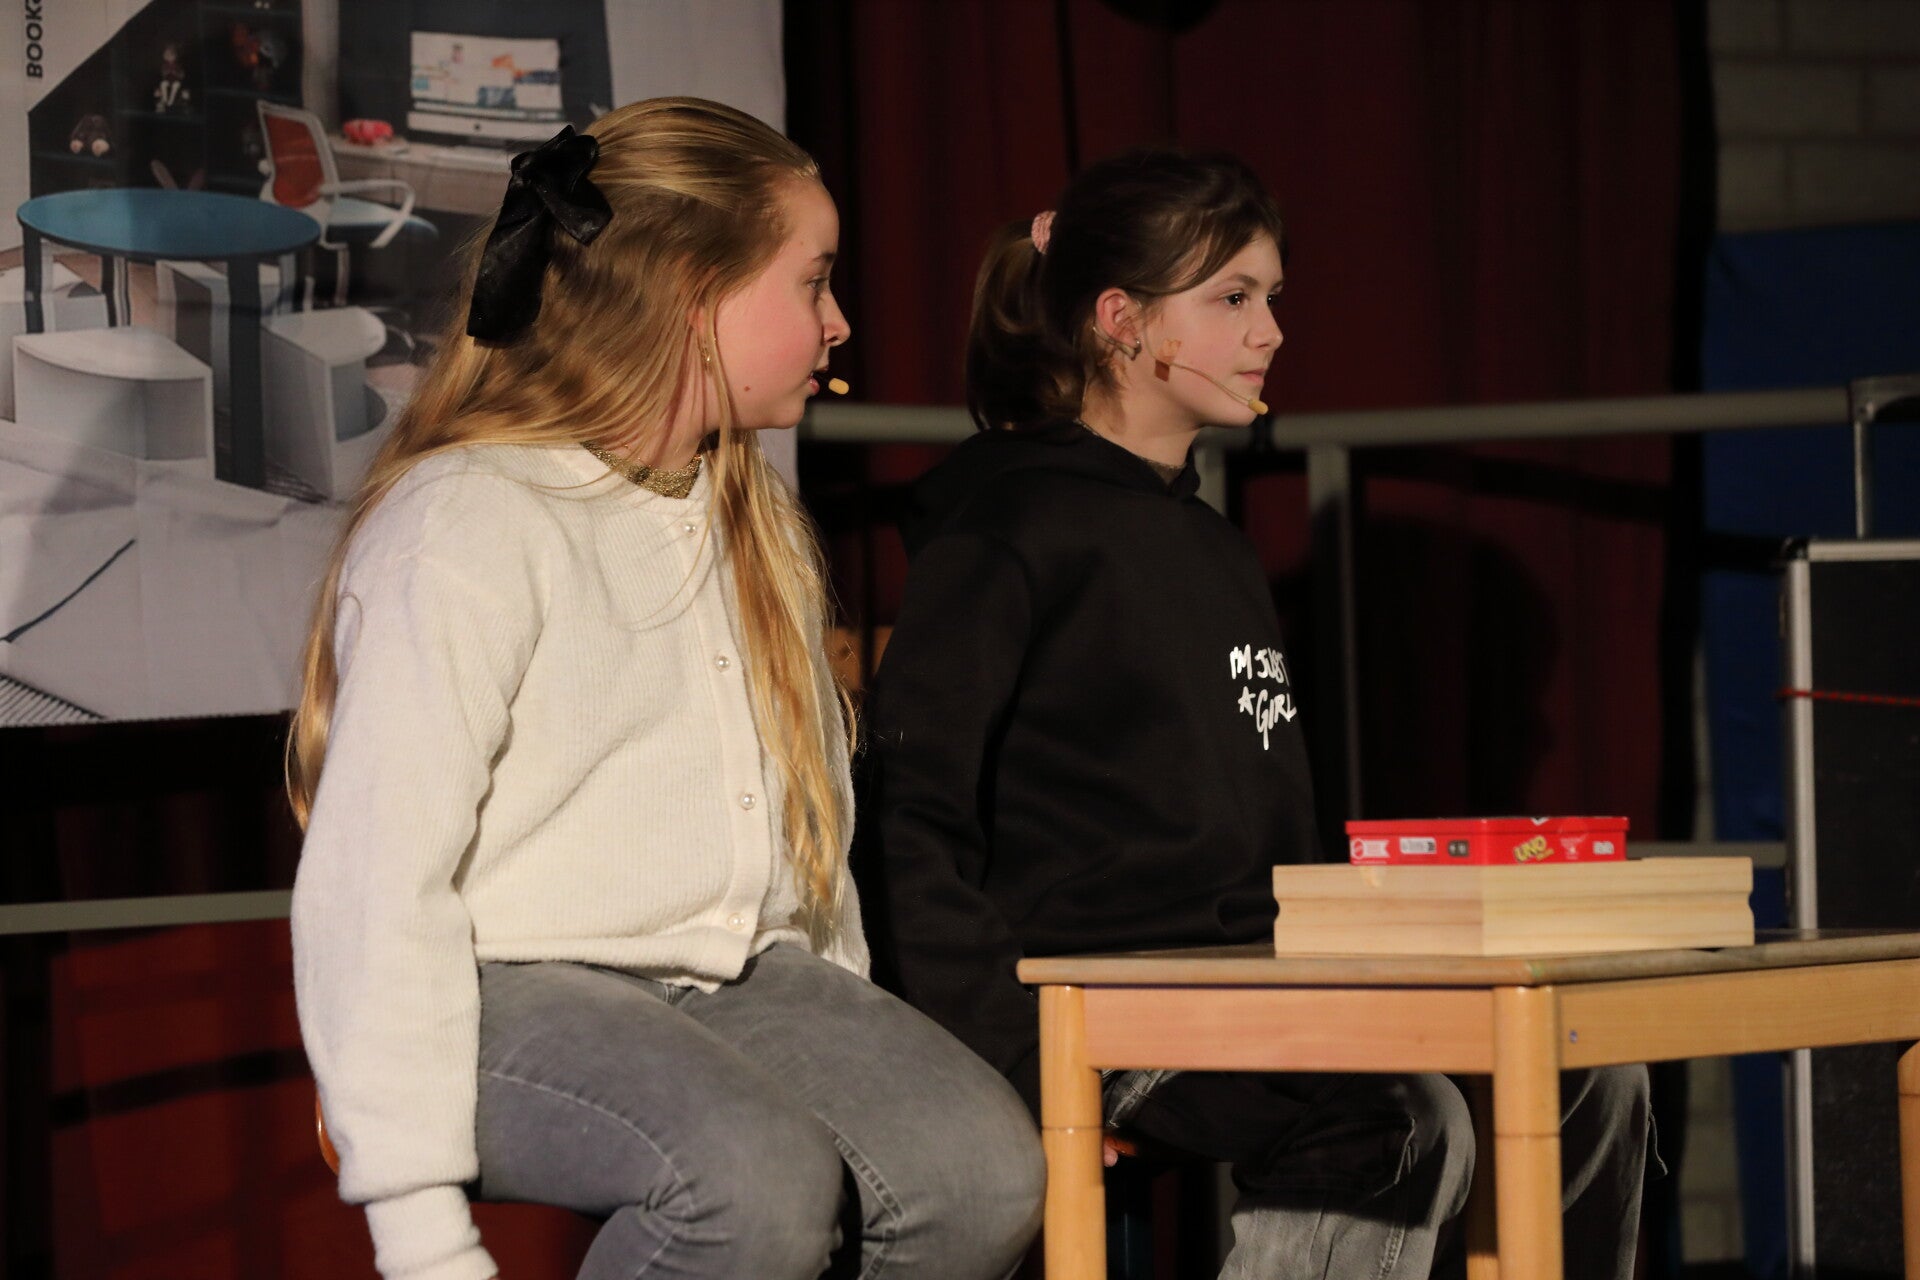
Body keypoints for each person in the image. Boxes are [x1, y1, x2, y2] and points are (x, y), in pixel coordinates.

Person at [856, 148, 1652, 1280]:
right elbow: (909, 826)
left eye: (1272, 298)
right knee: (1397, 1113)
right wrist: (1019, 1064)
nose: (1270, 332)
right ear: (1122, 321)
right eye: (1232, 299)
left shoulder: (1214, 547)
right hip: (1110, 1003)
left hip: (1260, 980)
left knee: (1586, 1066)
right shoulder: (1006, 529)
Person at [288, 97, 1043, 1280]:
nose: (839, 321)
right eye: (812, 283)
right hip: (500, 988)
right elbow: (374, 881)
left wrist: (860, 1039)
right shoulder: (471, 518)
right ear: (694, 296)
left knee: (980, 1171)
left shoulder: (753, 513)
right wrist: (422, 1233)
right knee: (749, 1178)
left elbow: (804, 829)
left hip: (735, 975)